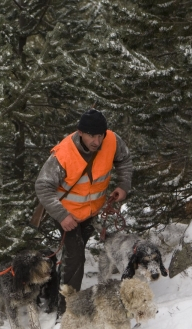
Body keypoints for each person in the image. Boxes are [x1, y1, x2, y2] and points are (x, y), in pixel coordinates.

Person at [35, 109, 133, 315]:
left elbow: (124, 160)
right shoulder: (63, 153)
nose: (96, 141)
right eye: (91, 136)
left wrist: (123, 184)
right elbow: (43, 186)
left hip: (91, 211)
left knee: (74, 257)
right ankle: (67, 311)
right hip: (66, 213)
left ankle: (57, 295)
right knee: (75, 256)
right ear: (80, 132)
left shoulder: (113, 140)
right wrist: (62, 216)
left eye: (100, 135)